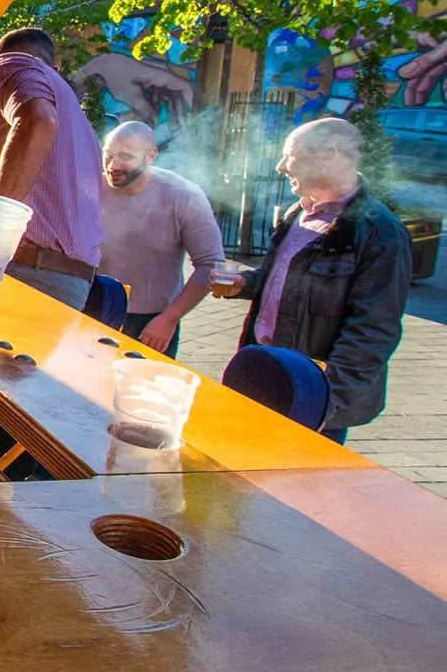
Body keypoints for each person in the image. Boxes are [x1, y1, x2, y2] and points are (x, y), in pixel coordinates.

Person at [212, 117, 411, 444]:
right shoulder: (298, 212)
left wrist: (325, 405)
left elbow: (373, 331)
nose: (280, 166)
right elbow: (286, 279)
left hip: (311, 396)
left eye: (290, 156)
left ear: (328, 155)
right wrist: (247, 284)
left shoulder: (379, 233)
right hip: (266, 370)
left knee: (294, 489)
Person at [0, 27, 105, 308]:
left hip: (29, 272)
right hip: (69, 279)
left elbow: (38, 120)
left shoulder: (12, 63)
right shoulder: (80, 124)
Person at [98, 122, 224, 356]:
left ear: (150, 156)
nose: (112, 166)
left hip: (152, 320)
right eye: (108, 155)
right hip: (95, 307)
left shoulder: (183, 195)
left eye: (126, 156)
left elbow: (211, 264)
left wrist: (169, 318)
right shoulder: (91, 185)